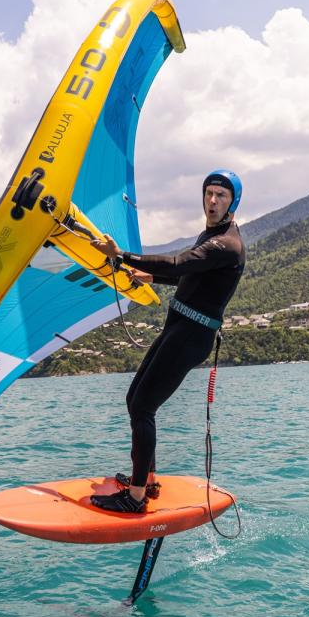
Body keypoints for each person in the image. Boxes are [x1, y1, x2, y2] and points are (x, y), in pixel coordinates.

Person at [87, 169, 247, 513]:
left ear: (233, 202)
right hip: (179, 328)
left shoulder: (227, 244)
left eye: (221, 195)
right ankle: (147, 478)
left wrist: (122, 256)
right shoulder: (212, 235)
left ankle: (135, 498)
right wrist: (152, 275)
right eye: (209, 193)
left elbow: (180, 263)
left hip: (191, 335)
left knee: (144, 406)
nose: (213, 200)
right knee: (135, 399)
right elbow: (190, 275)